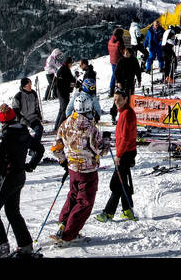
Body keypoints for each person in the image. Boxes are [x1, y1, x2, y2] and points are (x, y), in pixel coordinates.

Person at [0, 104, 43, 257]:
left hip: (6, 180)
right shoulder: (24, 132)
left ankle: (1, 247)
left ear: (3, 122)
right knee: (13, 212)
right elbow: (39, 149)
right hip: (19, 177)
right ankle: (25, 246)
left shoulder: (6, 135)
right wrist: (31, 165)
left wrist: (3, 171)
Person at [49, 106, 102, 245]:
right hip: (87, 169)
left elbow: (55, 146)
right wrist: (107, 141)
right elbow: (99, 149)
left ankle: (63, 223)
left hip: (73, 167)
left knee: (73, 195)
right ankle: (69, 234)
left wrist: (63, 160)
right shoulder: (90, 126)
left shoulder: (66, 122)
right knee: (85, 201)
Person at [95, 87, 138, 222]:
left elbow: (125, 138)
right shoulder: (124, 112)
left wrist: (119, 155)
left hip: (126, 153)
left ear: (126, 99)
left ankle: (108, 212)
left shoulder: (127, 114)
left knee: (116, 183)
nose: (116, 102)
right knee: (122, 182)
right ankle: (127, 210)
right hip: (125, 151)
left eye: (119, 100)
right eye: (115, 100)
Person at [9, 76, 44, 143]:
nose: (30, 86)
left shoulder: (33, 93)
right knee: (23, 135)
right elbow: (15, 110)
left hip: (33, 118)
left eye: (31, 84)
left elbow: (36, 106)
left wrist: (39, 115)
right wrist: (22, 120)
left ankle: (35, 144)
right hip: (23, 119)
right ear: (24, 86)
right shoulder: (18, 96)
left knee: (39, 129)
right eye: (28, 85)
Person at [52, 58, 75, 135]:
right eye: (71, 63)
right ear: (68, 63)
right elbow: (61, 83)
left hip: (64, 91)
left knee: (62, 109)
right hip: (62, 92)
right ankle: (59, 127)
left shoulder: (65, 69)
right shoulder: (63, 70)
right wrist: (70, 84)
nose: (72, 65)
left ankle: (56, 127)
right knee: (65, 109)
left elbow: (70, 78)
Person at [107, 27, 124, 96]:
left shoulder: (111, 40)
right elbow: (122, 51)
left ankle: (111, 90)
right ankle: (120, 88)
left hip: (112, 60)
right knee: (120, 75)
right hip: (119, 60)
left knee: (114, 74)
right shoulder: (119, 41)